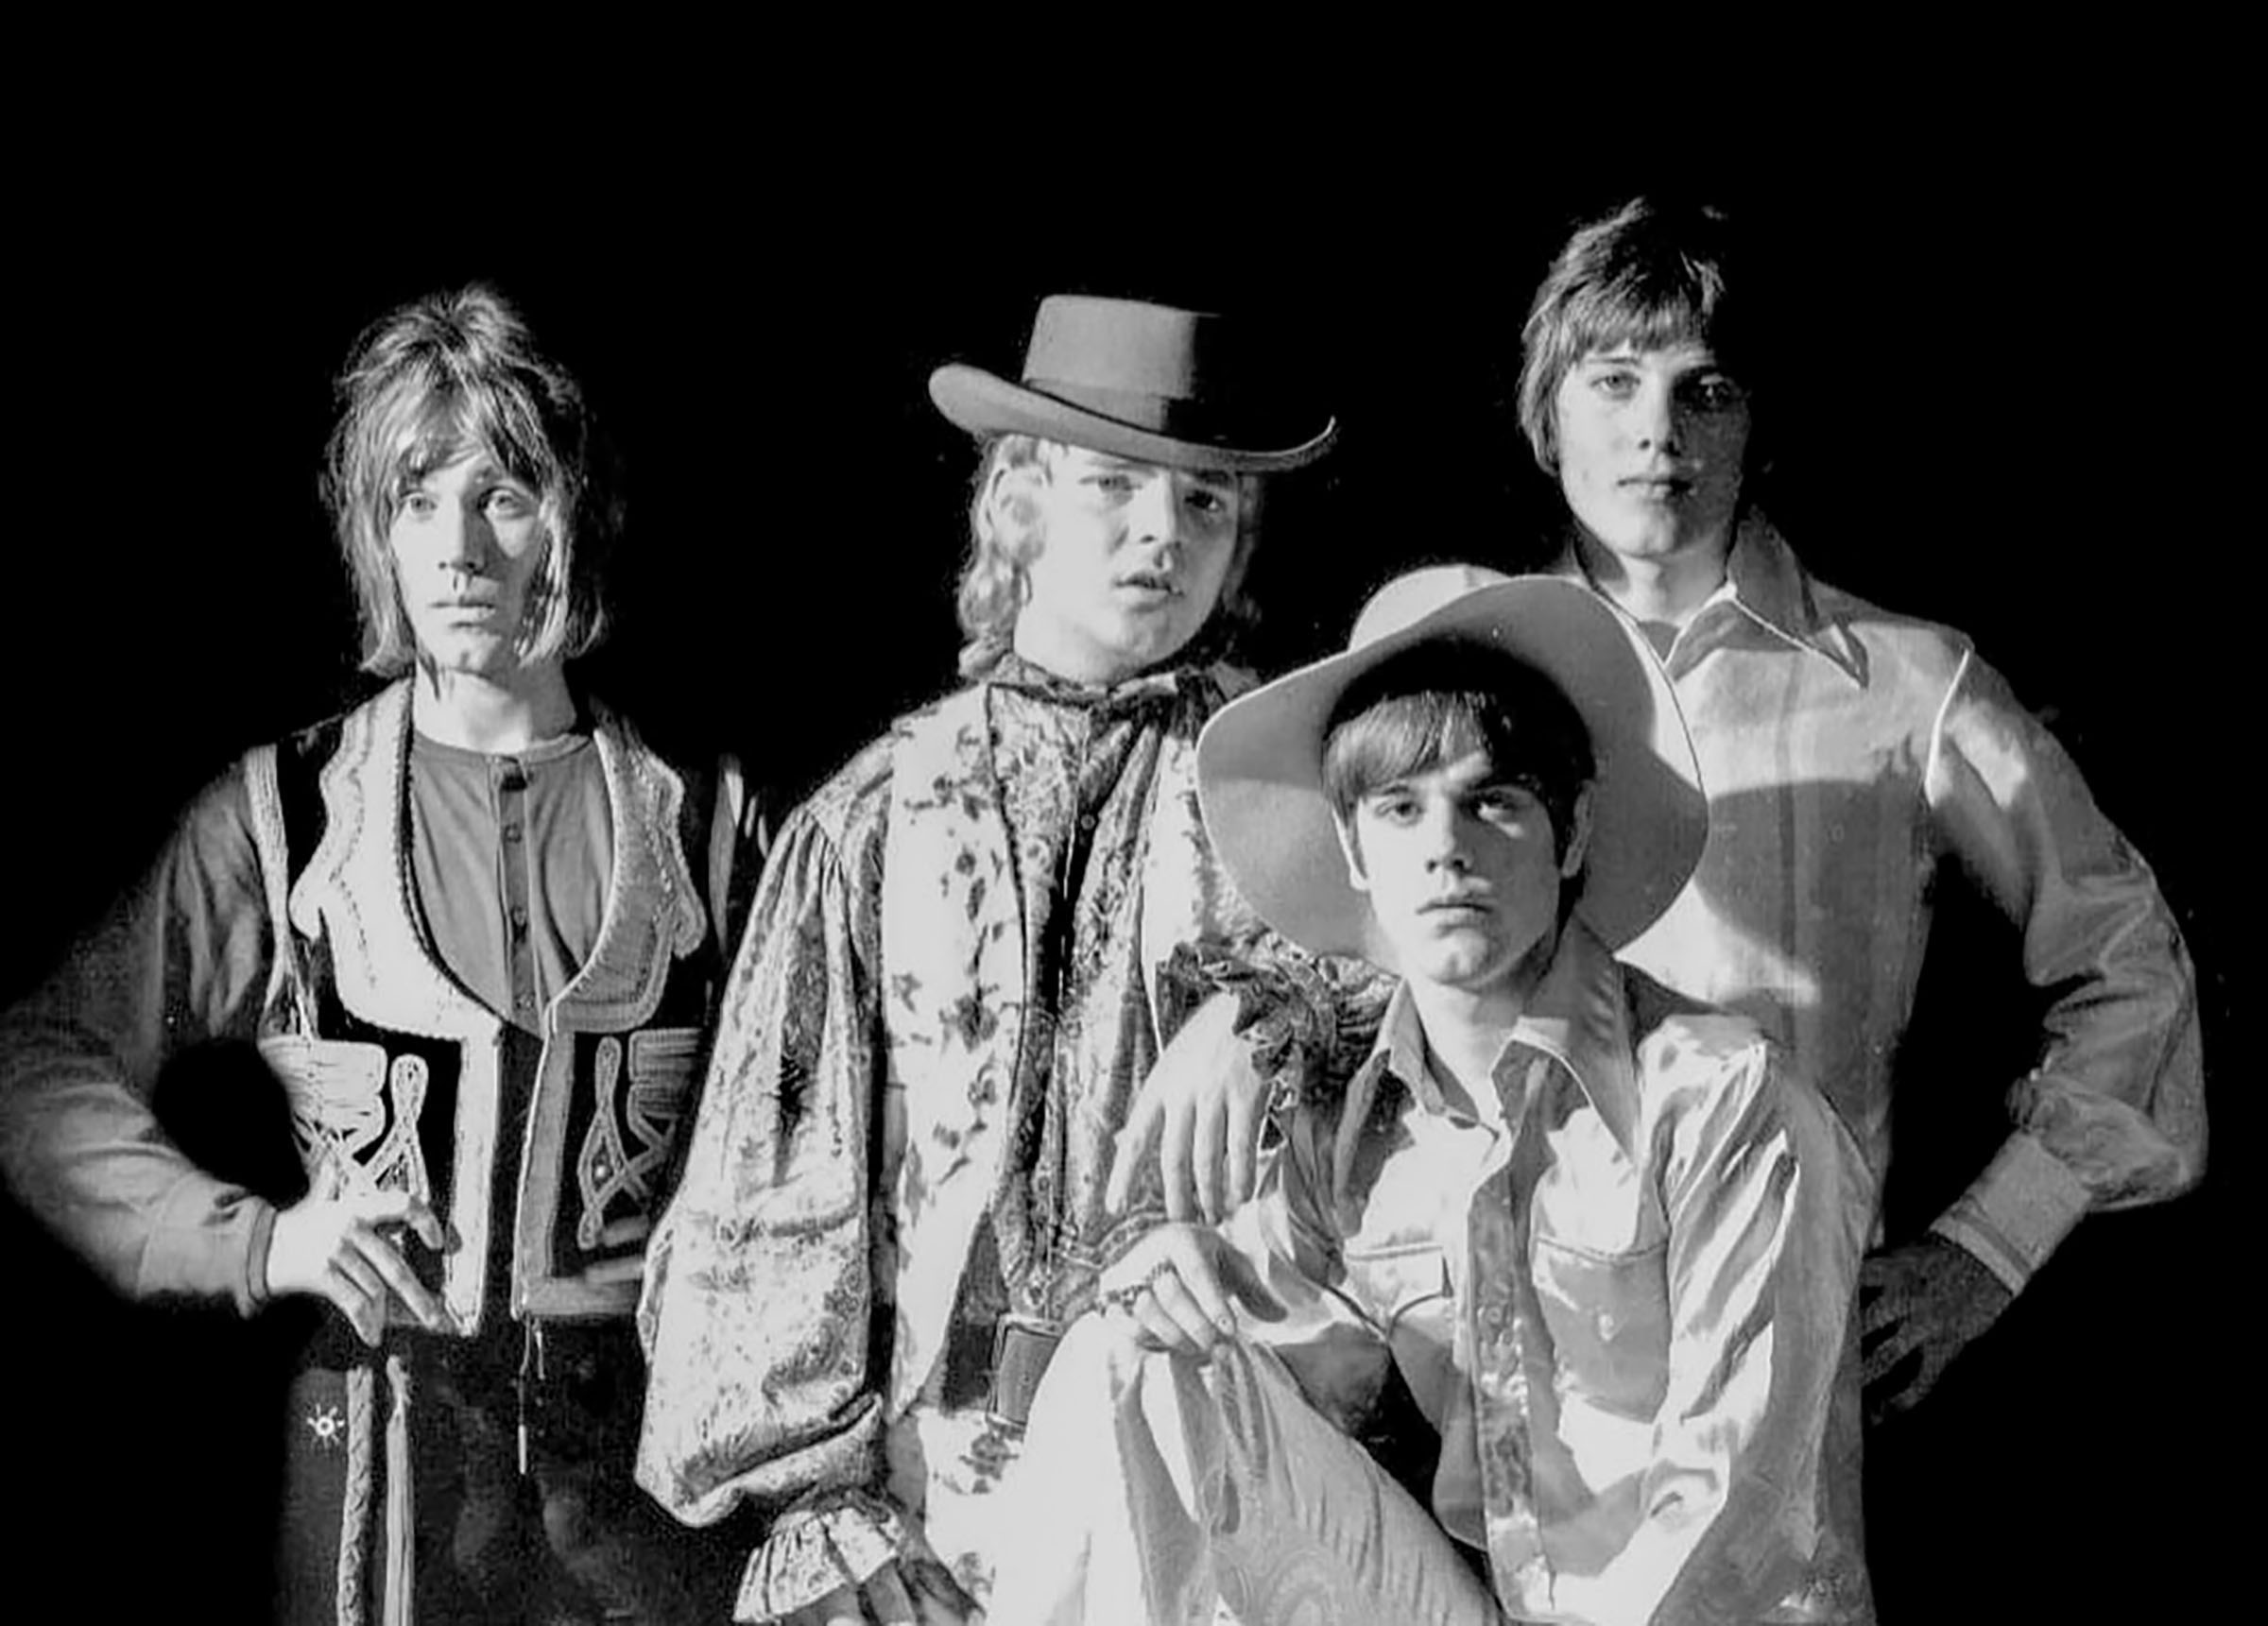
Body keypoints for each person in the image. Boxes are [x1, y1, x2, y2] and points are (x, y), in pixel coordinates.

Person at [1108, 197, 2208, 1619]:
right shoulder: (1463, 662)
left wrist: (1985, 1246)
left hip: (1774, 1354)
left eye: (1707, 390)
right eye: (1613, 385)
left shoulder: (1901, 683)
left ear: (1758, 422)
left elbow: (2131, 962)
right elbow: (1377, 890)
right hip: (1498, 1376)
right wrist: (1250, 1023)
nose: (1657, 434)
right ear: (1545, 419)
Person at [0, 285, 761, 1625]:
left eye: (503, 494)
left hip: (653, 1482)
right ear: (378, 536)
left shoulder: (710, 824)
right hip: (382, 1466)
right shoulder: (289, 814)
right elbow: (39, 1069)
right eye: (418, 500)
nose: (460, 546)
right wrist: (258, 1241)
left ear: (573, 524)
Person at [631, 296, 1341, 1624]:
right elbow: (779, 1162)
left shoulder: (1281, 793)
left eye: (1204, 504)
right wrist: (819, 1511)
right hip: (932, 1506)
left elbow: (1423, 989)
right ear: (1019, 500)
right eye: (1116, 485)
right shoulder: (881, 813)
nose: (1160, 533)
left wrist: (1268, 1011)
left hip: (1213, 1481)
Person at [989, 566, 1867, 1625]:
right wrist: (1169, 1268)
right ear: (1357, 850)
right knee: (1125, 1354)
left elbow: (1739, 1508)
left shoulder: (1723, 1096)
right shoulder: (1356, 1122)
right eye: (1401, 808)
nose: (1446, 846)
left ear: (1573, 832)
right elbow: (1258, 1360)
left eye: (1491, 801)